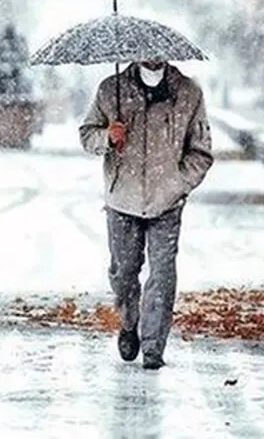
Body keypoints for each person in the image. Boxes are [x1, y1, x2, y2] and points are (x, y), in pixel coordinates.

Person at [79, 58, 214, 369]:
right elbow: (87, 134)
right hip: (122, 199)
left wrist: (179, 183)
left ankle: (153, 347)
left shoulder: (188, 93)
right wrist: (107, 138)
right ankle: (129, 324)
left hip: (167, 202)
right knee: (123, 272)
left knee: (162, 275)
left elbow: (202, 150)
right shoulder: (111, 90)